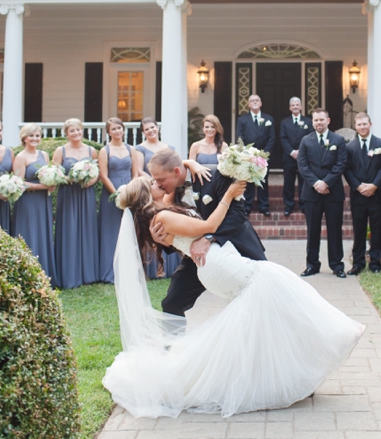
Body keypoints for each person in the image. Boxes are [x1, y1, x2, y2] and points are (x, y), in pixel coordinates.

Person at [103, 177, 365, 419]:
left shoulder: (163, 213)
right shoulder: (162, 218)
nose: (157, 181)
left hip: (219, 260)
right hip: (218, 265)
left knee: (263, 312)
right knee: (276, 281)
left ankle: (285, 372)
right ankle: (336, 335)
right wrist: (228, 195)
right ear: (148, 195)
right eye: (152, 182)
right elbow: (209, 226)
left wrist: (191, 167)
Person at [148, 148, 266, 317]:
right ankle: (173, 344)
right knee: (172, 302)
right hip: (200, 258)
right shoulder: (169, 195)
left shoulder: (215, 174)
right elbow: (178, 235)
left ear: (176, 172)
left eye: (160, 179)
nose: (157, 184)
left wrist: (209, 238)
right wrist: (158, 239)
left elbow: (238, 215)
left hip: (236, 242)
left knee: (263, 292)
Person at [297, 108, 348, 278]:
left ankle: (337, 265)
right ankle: (312, 264)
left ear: (328, 120)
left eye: (321, 120)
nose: (318, 123)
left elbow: (341, 164)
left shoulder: (338, 140)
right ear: (312, 122)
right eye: (316, 120)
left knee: (334, 230)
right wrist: (316, 183)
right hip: (311, 193)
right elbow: (302, 165)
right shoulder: (306, 140)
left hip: (333, 192)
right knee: (312, 230)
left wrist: (326, 182)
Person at [52, 118, 100, 289]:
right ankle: (69, 273)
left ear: (82, 131)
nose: (76, 133)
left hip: (86, 193)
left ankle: (88, 273)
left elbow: (97, 172)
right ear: (66, 133)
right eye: (72, 131)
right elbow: (55, 172)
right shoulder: (61, 151)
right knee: (69, 229)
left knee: (87, 228)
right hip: (69, 193)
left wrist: (90, 181)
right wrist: (69, 178)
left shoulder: (91, 150)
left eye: (78, 130)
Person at [135, 116, 181, 279]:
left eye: (152, 127)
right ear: (143, 132)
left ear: (157, 128)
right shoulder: (140, 149)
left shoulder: (168, 147)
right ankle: (157, 267)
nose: (150, 130)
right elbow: (139, 170)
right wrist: (156, 182)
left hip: (168, 189)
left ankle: (175, 265)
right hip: (153, 189)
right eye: (146, 129)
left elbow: (177, 165)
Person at [12, 123, 58, 286]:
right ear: (24, 138)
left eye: (37, 135)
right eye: (31, 135)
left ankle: (44, 273)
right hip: (28, 202)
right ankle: (28, 276)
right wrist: (41, 187)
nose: (35, 138)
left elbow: (48, 174)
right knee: (29, 234)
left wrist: (52, 182)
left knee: (42, 234)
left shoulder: (44, 155)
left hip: (43, 201)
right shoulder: (20, 157)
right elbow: (19, 184)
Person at [344, 112, 381, 276]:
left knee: (377, 229)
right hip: (358, 195)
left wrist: (374, 186)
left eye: (365, 124)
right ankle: (358, 263)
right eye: (359, 124)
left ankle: (375, 262)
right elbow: (347, 169)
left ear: (370, 124)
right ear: (355, 127)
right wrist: (358, 186)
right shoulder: (350, 147)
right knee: (359, 230)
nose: (362, 127)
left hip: (377, 195)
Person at [98, 117, 140, 284]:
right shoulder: (105, 150)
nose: (117, 131)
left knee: (130, 229)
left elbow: (135, 173)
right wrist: (117, 194)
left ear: (123, 130)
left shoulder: (131, 149)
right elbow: (103, 175)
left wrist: (130, 192)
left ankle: (130, 270)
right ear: (108, 132)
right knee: (112, 231)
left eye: (119, 128)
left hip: (130, 192)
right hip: (111, 193)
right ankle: (110, 272)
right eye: (113, 129)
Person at [235, 94, 275, 216]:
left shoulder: (269, 119)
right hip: (249, 156)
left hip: (263, 156)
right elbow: (240, 137)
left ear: (261, 103)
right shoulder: (242, 119)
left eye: (257, 100)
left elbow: (272, 138)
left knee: (263, 180)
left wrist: (263, 154)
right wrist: (248, 154)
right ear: (249, 104)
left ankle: (264, 206)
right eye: (252, 101)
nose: (255, 102)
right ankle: (248, 205)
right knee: (249, 180)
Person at [279, 97, 313, 216]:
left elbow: (310, 137)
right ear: (289, 108)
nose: (295, 107)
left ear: (301, 107)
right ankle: (289, 205)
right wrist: (292, 152)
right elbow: (283, 138)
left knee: (303, 181)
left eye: (297, 105)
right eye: (293, 105)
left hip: (304, 157)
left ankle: (303, 204)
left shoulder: (308, 122)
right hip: (289, 157)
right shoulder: (284, 122)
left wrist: (301, 152)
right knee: (288, 182)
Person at [189, 114, 227, 209]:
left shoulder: (223, 146)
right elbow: (191, 166)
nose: (209, 129)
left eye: (212, 127)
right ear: (203, 128)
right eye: (207, 127)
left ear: (217, 128)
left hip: (218, 185)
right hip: (200, 184)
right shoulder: (195, 146)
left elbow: (227, 168)